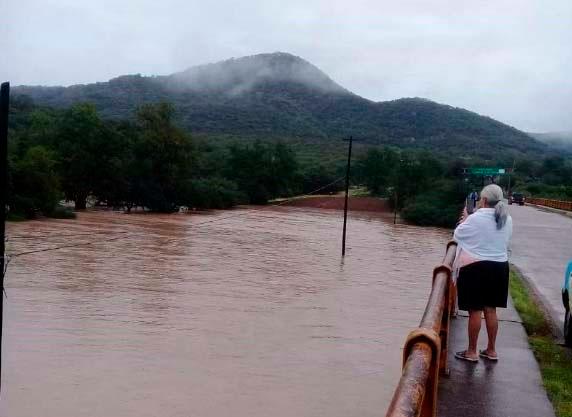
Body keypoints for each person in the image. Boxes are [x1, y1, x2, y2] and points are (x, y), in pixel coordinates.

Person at [453, 184, 513, 362]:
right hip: (500, 268)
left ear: (484, 200)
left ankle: (472, 352)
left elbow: (457, 235)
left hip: (477, 268)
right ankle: (491, 350)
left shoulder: (476, 218)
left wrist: (465, 219)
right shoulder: (506, 218)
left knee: (475, 311)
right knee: (491, 310)